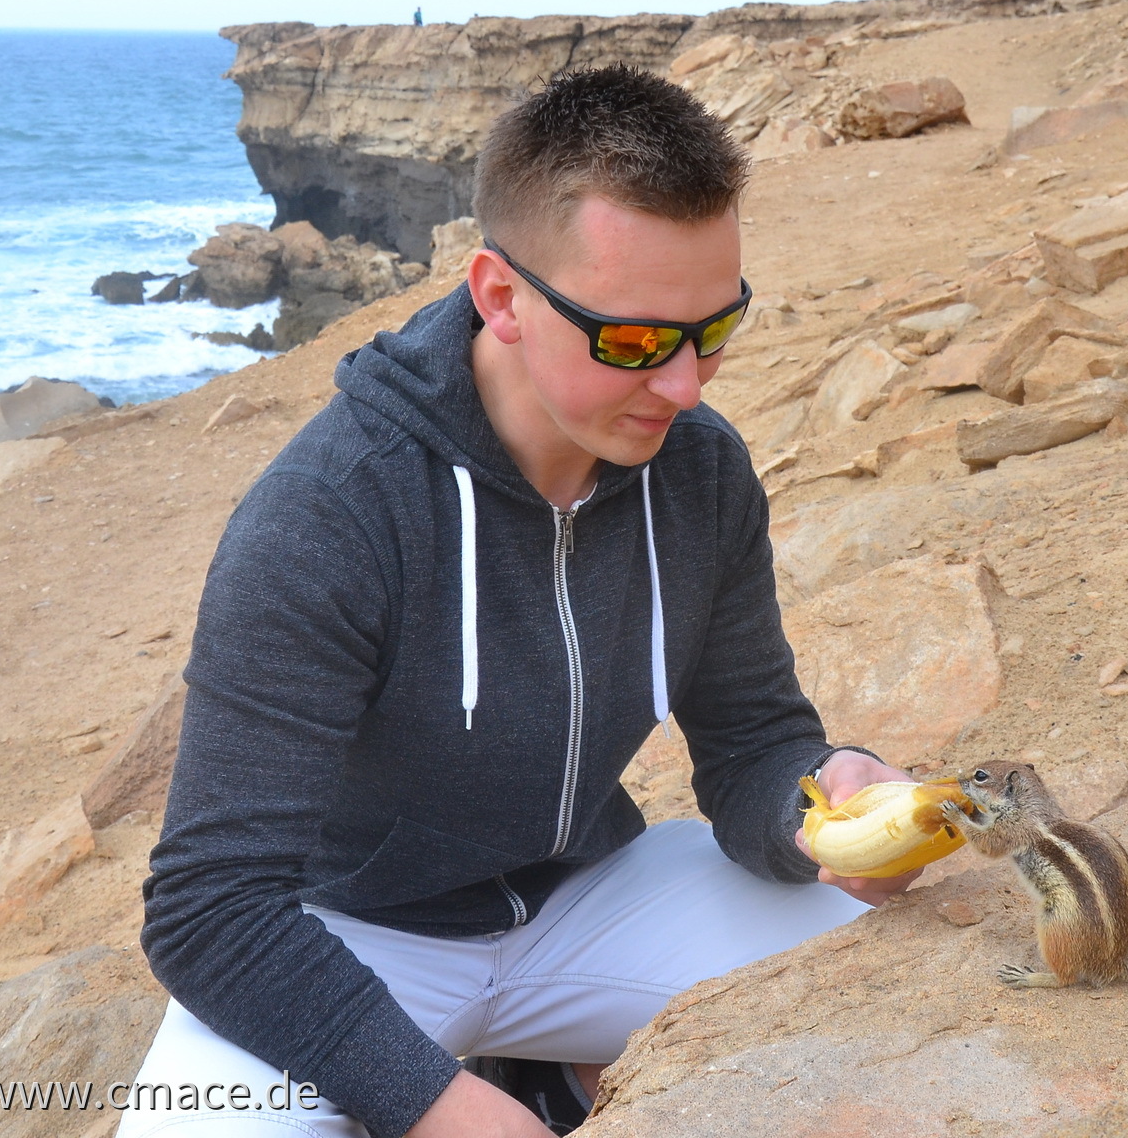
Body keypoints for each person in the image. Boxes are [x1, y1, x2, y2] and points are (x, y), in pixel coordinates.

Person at [127, 67, 929, 1138]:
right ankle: (516, 1087)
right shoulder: (328, 519)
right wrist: (432, 1105)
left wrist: (820, 804)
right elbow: (207, 908)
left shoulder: (701, 472)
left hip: (591, 900)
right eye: (636, 342)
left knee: (915, 959)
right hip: (355, 936)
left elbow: (752, 744)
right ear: (502, 297)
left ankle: (550, 1072)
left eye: (715, 327)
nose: (687, 386)